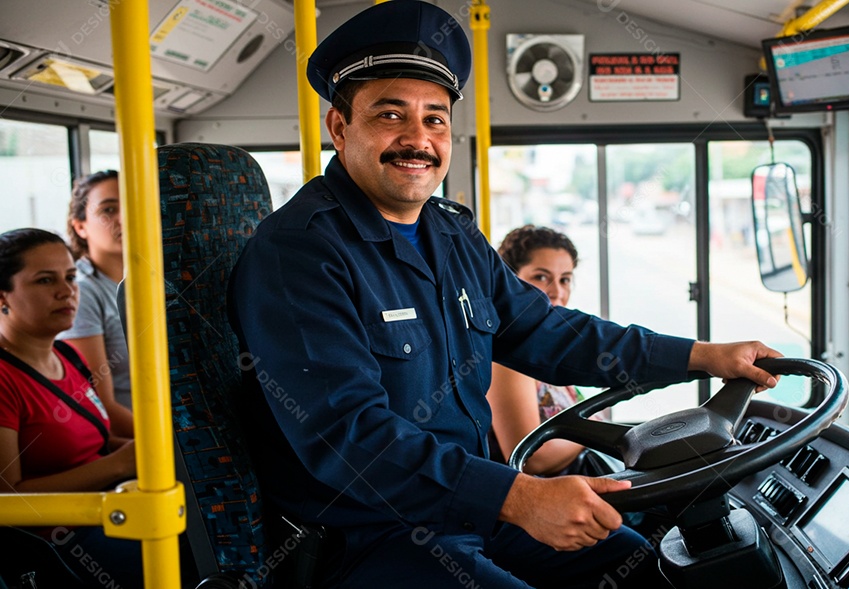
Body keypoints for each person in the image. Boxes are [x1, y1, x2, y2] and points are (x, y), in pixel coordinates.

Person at [227, 2, 780, 587]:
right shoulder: (300, 253)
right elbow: (349, 440)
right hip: (369, 534)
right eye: (391, 115)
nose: (418, 139)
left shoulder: (451, 231)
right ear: (340, 127)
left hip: (469, 505)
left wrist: (701, 357)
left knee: (641, 564)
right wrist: (517, 497)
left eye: (435, 119)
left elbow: (547, 332)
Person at [0, 228, 141, 588]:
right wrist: (120, 464)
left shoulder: (68, 356)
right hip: (57, 543)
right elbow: (7, 495)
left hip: (106, 510)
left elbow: (96, 442)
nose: (67, 291)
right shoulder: (4, 378)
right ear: (3, 297)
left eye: (70, 277)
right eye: (45, 280)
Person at [487, 225, 601, 476]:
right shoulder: (507, 358)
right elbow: (532, 459)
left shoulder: (547, 346)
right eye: (541, 277)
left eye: (565, 279)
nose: (557, 292)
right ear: (510, 281)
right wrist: (590, 427)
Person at [59, 170, 134, 438]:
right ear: (80, 226)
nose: (124, 218)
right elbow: (101, 408)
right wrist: (170, 447)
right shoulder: (81, 291)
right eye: (109, 209)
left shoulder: (158, 277)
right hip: (134, 441)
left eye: (133, 206)